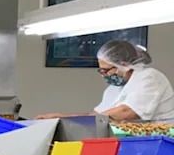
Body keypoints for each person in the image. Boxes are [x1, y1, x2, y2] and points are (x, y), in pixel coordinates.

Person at [37, 40, 174, 123]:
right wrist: (62, 117)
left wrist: (67, 118)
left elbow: (125, 112)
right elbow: (97, 116)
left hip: (161, 143)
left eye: (106, 70)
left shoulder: (149, 78)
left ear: (123, 64)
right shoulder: (114, 89)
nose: (103, 76)